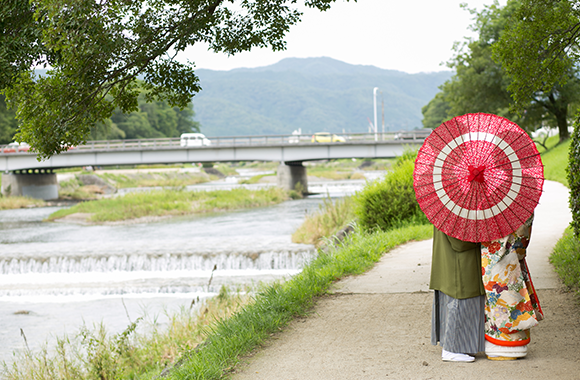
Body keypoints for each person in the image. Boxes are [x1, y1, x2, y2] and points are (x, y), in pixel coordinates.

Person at [481, 216, 543, 360]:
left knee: (497, 301)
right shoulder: (520, 204)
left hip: (497, 262)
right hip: (515, 259)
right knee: (517, 298)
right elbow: (523, 240)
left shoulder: (493, 207)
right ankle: (519, 342)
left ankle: (502, 343)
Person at [430, 227, 486, 362]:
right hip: (460, 262)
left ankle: (456, 346)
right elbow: (459, 243)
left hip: (450, 262)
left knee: (452, 304)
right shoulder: (457, 212)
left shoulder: (448, 210)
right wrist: (483, 238)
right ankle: (451, 349)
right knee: (460, 303)